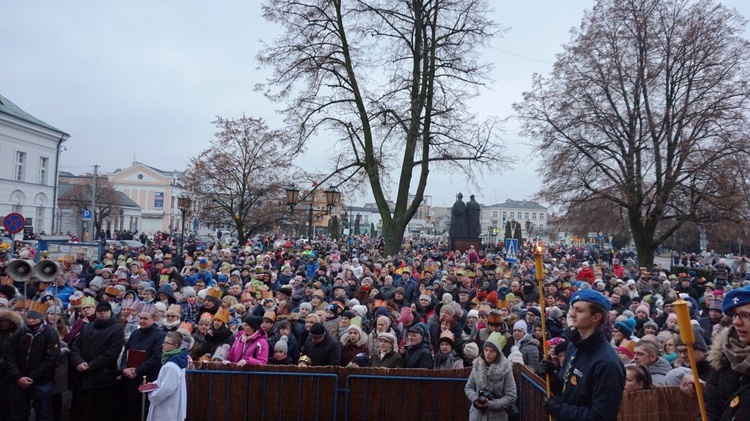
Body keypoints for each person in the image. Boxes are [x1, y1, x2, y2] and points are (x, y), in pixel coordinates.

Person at [537, 289, 625, 420]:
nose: (572, 314)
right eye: (572, 309)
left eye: (579, 310)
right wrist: (551, 378)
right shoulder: (573, 346)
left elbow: (601, 416)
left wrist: (560, 410)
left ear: (596, 317)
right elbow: (568, 389)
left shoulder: (606, 363)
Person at [3, 305, 61, 421]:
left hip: (41, 380)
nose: (30, 320)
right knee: (18, 413)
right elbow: (9, 354)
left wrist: (31, 376)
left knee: (43, 412)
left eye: (34, 318)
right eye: (29, 318)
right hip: (19, 378)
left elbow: (51, 358)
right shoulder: (20, 332)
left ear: (41, 318)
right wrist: (18, 376)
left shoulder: (50, 333)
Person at [69, 301, 125, 421]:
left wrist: (90, 365)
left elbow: (112, 353)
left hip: (103, 379)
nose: (103, 313)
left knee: (100, 412)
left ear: (110, 312)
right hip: (83, 376)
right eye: (100, 311)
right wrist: (78, 361)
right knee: (81, 411)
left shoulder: (117, 329)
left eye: (105, 311)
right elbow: (76, 346)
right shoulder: (88, 326)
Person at [703, 285, 750, 419]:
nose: (736, 322)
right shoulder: (724, 355)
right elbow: (709, 408)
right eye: (735, 315)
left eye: (746, 316)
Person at [119, 304, 166, 421]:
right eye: (140, 318)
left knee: (143, 411)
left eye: (145, 319)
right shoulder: (135, 333)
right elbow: (126, 352)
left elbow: (156, 357)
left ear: (154, 319)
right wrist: (123, 368)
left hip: (147, 377)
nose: (142, 321)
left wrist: (137, 371)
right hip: (130, 377)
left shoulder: (160, 335)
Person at [464, 332, 517, 421]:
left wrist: (491, 404)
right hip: (477, 415)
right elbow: (469, 387)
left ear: (497, 353)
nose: (488, 353)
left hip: (496, 416)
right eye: (486, 350)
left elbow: (511, 396)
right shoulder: (477, 365)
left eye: (491, 351)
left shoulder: (506, 370)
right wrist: (476, 399)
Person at [142, 331, 188, 421]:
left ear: (175, 346)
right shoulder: (175, 360)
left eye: (167, 343)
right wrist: (153, 385)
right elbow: (164, 380)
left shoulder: (172, 365)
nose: (163, 345)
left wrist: (152, 393)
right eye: (163, 342)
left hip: (167, 407)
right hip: (170, 405)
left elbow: (167, 388)